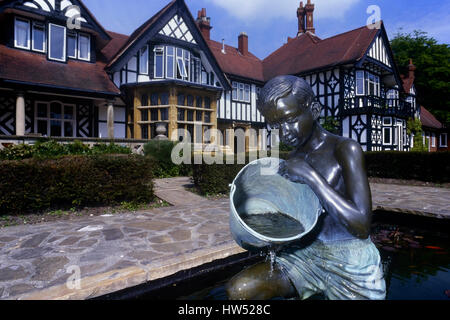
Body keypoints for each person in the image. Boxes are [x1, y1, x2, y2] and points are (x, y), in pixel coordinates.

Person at [226, 75, 386, 300]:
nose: (284, 132)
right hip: (306, 254)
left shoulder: (344, 149)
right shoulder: (293, 158)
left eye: (290, 119)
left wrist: (311, 176)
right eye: (275, 124)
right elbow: (298, 216)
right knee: (239, 290)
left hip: (351, 259)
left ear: (315, 109)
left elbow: (361, 226)